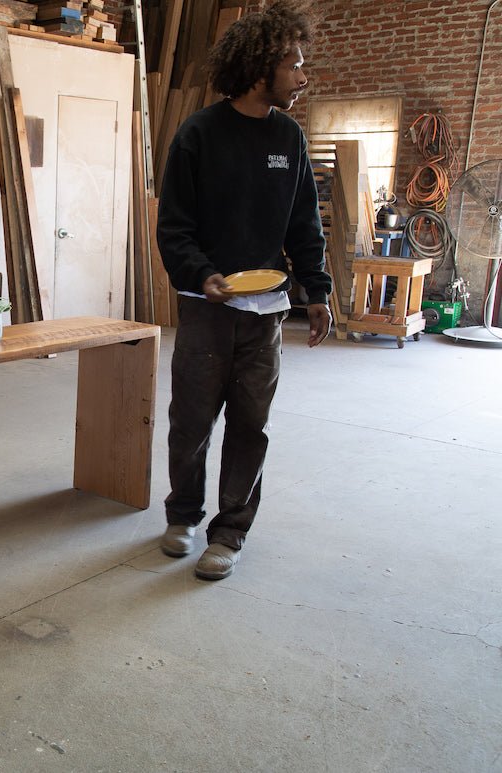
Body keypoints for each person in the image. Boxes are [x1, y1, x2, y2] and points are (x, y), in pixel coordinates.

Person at [156, 0, 333, 580]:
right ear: (263, 66)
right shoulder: (199, 134)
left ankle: (229, 532)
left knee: (251, 425)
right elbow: (173, 224)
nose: (303, 77)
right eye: (295, 65)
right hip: (206, 310)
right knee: (191, 422)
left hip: (266, 314)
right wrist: (200, 273)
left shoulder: (290, 137)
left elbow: (305, 223)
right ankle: (182, 516)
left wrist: (318, 291)